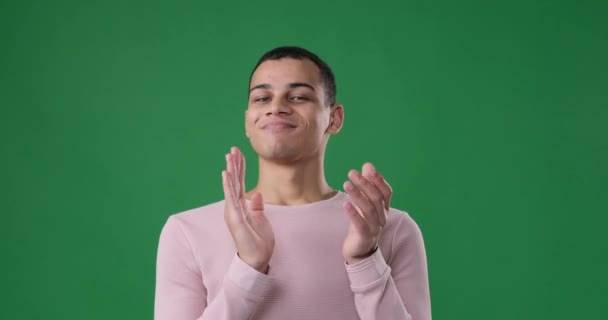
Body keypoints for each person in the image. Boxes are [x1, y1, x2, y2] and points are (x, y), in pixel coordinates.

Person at [154, 46, 432, 320]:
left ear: (333, 119)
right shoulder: (187, 232)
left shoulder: (391, 229)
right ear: (247, 122)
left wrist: (366, 260)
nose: (276, 107)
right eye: (262, 98)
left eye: (298, 96)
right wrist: (248, 268)